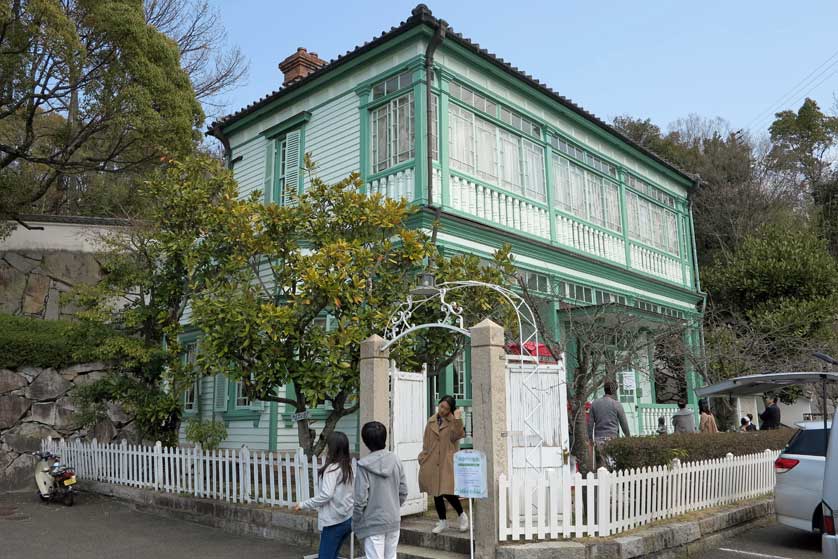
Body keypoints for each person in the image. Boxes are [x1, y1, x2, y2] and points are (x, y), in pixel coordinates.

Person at [295, 432, 354, 559]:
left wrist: (303, 504)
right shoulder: (346, 467)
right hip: (347, 519)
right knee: (333, 555)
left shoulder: (332, 469)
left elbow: (326, 495)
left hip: (333, 522)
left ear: (332, 448)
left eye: (328, 445)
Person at [354, 421, 407, 559]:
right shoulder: (396, 460)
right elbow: (403, 491)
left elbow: (360, 499)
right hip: (393, 519)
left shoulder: (363, 466)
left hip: (372, 522)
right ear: (385, 437)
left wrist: (356, 520)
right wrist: (393, 506)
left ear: (365, 441)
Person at [418, 395, 467, 535]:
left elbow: (457, 435)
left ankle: (462, 516)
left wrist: (458, 419)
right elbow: (426, 441)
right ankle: (442, 521)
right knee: (435, 492)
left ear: (451, 410)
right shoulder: (431, 421)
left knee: (448, 492)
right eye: (441, 406)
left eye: (446, 408)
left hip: (446, 461)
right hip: (432, 460)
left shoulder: (453, 421)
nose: (442, 410)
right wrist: (423, 456)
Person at [588, 380, 631, 467]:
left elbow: (590, 424)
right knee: (613, 464)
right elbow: (624, 424)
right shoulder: (617, 404)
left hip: (598, 438)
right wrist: (628, 437)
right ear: (614, 391)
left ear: (604, 390)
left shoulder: (594, 403)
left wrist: (590, 439)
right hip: (613, 438)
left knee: (601, 465)